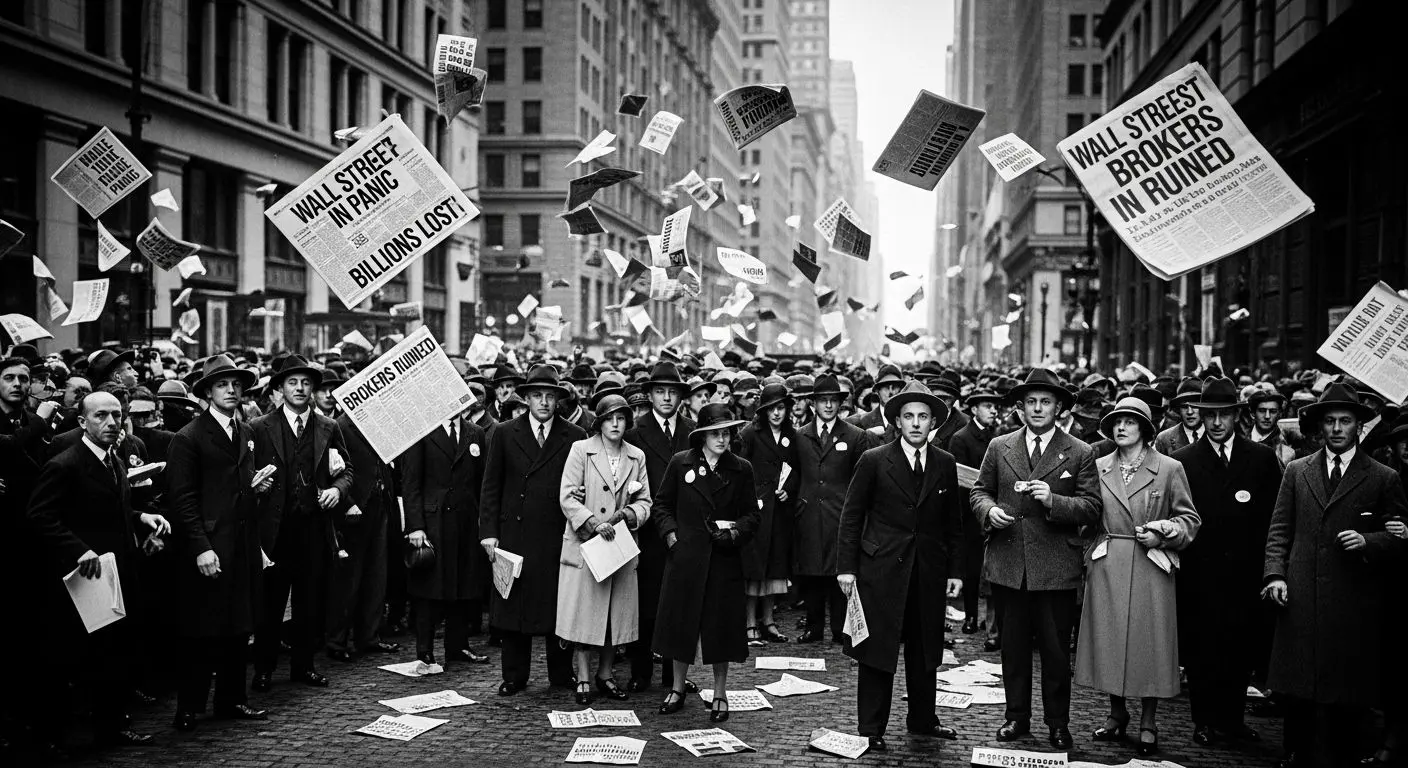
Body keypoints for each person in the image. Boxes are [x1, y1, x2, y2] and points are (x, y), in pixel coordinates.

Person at [1262, 382, 1408, 768]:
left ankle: (1343, 754)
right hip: (1301, 592)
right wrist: (1275, 575)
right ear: (1320, 427)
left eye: (1346, 421)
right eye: (1330, 421)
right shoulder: (1297, 471)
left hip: (1352, 598)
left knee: (1346, 691)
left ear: (1359, 426)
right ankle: (1295, 753)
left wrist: (1369, 541)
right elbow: (1280, 529)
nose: (1338, 428)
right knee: (1297, 688)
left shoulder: (1382, 476)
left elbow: (1399, 537)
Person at [27, 391, 171, 754]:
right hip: (81, 579)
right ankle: (52, 737)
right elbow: (40, 516)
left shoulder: (114, 460)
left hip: (116, 571)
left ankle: (111, 727)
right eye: (101, 416)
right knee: (73, 656)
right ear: (82, 422)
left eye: (117, 416)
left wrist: (141, 518)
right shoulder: (65, 464)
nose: (111, 423)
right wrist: (78, 550)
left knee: (114, 652)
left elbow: (114, 509)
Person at [970, 368, 1101, 749]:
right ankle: (1017, 718)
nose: (1038, 408)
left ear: (1059, 407)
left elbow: (1092, 508)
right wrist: (989, 511)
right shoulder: (1000, 446)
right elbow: (980, 491)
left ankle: (1058, 723)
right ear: (1020, 409)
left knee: (1057, 653)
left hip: (1056, 568)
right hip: (1010, 564)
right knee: (1013, 649)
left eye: (1045, 402)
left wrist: (1054, 501)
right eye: (1031, 402)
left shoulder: (1079, 451)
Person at [836, 381, 965, 751]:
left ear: (933, 423)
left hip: (927, 570)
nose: (916, 423)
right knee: (876, 649)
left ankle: (923, 719)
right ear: (896, 420)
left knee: (925, 650)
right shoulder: (874, 459)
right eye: (908, 416)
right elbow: (851, 516)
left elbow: (952, 524)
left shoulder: (944, 462)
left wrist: (956, 571)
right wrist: (847, 567)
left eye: (923, 417)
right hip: (880, 570)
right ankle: (871, 726)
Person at [1075, 397, 1200, 757]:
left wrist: (1162, 533)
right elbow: (1087, 512)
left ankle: (1148, 720)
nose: (1121, 427)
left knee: (1150, 644)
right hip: (1109, 560)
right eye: (1116, 421)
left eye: (1130, 421)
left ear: (1145, 428)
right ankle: (1116, 714)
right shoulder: (1097, 466)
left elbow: (1190, 520)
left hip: (1152, 564)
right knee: (1110, 641)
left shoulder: (1169, 467)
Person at [1172, 376, 1282, 748]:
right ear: (1200, 417)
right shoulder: (1182, 462)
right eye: (1210, 416)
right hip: (1199, 573)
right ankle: (1204, 720)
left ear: (1238, 415)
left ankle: (1233, 719)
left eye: (1224, 415)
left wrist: (1268, 570)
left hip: (1244, 574)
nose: (1217, 423)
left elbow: (1275, 519)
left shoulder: (1262, 459)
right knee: (1203, 650)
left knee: (1239, 649)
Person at [167, 355, 274, 731]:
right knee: (200, 631)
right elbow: (181, 499)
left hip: (242, 543)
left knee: (238, 627)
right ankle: (189, 706)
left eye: (236, 385)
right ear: (207, 392)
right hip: (209, 547)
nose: (231, 391)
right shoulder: (189, 437)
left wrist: (255, 489)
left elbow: (235, 487)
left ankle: (232, 700)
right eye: (222, 385)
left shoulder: (246, 432)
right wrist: (200, 546)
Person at [480, 364, 586, 694]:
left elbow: (583, 482)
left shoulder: (574, 436)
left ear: (559, 400)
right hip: (514, 534)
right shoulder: (504, 432)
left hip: (558, 533)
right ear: (526, 399)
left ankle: (560, 673)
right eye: (537, 395)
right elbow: (490, 487)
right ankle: (514, 675)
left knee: (559, 605)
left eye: (550, 396)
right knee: (514, 607)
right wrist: (488, 532)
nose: (543, 402)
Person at [249, 355, 354, 692]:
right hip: (276, 530)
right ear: (279, 389)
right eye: (292, 383)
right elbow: (245, 473)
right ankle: (263, 670)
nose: (300, 388)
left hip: (313, 528)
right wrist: (256, 483)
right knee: (271, 604)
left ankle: (303, 666)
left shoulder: (328, 427)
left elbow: (347, 470)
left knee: (310, 603)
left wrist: (337, 491)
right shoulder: (259, 427)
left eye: (306, 383)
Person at [651, 403, 759, 723]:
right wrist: (672, 537)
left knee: (720, 629)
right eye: (715, 433)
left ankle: (720, 693)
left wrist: (735, 534)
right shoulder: (680, 463)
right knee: (680, 625)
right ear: (701, 436)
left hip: (723, 559)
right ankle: (677, 687)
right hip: (686, 559)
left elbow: (753, 516)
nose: (722, 439)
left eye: (726, 433)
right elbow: (662, 505)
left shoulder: (741, 469)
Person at [556, 394, 652, 705]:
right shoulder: (581, 450)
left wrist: (628, 514)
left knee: (615, 618)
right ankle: (583, 676)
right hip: (588, 546)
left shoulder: (636, 456)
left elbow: (646, 502)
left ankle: (606, 674)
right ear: (599, 422)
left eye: (621, 418)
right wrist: (593, 522)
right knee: (586, 615)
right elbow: (568, 496)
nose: (615, 424)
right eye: (609, 418)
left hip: (619, 547)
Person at [622, 361, 696, 692]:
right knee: (646, 603)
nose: (666, 398)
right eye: (660, 391)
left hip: (685, 529)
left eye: (672, 392)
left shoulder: (693, 432)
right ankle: (641, 672)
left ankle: (674, 675)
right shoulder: (635, 433)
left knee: (680, 603)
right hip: (647, 530)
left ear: (681, 397)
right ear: (649, 395)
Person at [402, 403, 492, 666]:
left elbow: (482, 482)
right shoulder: (421, 432)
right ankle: (424, 649)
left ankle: (458, 646)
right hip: (433, 524)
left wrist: (482, 522)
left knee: (463, 587)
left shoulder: (474, 433)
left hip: (465, 522)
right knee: (430, 589)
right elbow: (411, 484)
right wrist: (415, 526)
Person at [794, 373, 873, 644]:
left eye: (833, 401)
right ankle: (813, 627)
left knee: (840, 571)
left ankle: (841, 628)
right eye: (822, 400)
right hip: (808, 514)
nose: (828, 406)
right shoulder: (800, 436)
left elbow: (860, 480)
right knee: (812, 572)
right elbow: (792, 475)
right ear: (813, 403)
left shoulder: (855, 436)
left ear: (840, 403)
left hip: (840, 513)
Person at [324, 411, 401, 662]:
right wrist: (347, 502)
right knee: (350, 579)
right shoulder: (340, 425)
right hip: (354, 510)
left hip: (380, 505)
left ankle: (369, 636)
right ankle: (337, 641)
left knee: (377, 575)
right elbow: (334, 470)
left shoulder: (381, 419)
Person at [736, 382, 799, 646]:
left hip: (780, 511)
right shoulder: (750, 433)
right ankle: (750, 622)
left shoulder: (791, 435)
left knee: (775, 566)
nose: (776, 414)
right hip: (757, 510)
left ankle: (769, 621)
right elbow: (739, 468)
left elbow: (796, 468)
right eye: (771, 409)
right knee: (754, 568)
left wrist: (789, 490)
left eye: (781, 408)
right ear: (762, 410)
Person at [947, 388, 1002, 638]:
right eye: (987, 406)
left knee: (989, 566)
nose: (993, 410)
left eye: (994, 406)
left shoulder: (997, 436)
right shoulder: (961, 438)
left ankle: (988, 620)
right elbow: (959, 479)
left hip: (992, 511)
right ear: (974, 410)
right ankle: (970, 615)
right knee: (971, 567)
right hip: (969, 513)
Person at [1246, 389, 1296, 469]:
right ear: (1252, 413)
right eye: (1262, 411)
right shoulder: (1237, 440)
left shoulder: (1288, 453)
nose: (1267, 416)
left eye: (1273, 411)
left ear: (1279, 414)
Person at [1154, 378, 1203, 454]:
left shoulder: (1215, 435)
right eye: (1184, 406)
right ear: (1178, 409)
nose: (1189, 412)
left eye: (1195, 405)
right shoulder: (1164, 439)